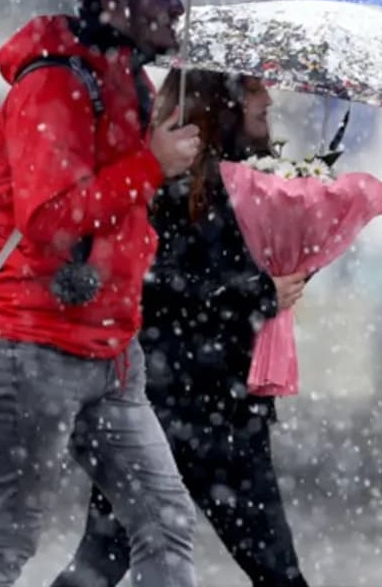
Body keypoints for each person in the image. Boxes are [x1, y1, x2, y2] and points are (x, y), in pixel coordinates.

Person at [0, 0, 202, 587]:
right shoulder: (54, 84)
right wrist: (150, 165)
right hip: (30, 345)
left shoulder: (131, 85)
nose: (177, 7)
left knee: (166, 524)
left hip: (112, 352)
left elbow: (125, 212)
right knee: (4, 541)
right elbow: (48, 219)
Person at [51, 68, 313, 587]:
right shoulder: (165, 187)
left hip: (218, 408)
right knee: (102, 562)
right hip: (172, 409)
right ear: (223, 101)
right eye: (255, 87)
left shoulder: (253, 183)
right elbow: (156, 289)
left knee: (102, 564)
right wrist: (259, 292)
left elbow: (231, 282)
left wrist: (296, 261)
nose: (268, 98)